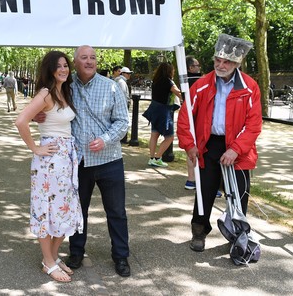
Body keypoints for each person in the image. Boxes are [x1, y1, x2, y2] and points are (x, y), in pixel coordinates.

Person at [37, 46, 130, 277]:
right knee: (78, 210)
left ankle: (121, 256)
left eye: (93, 58)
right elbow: (48, 108)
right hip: (77, 161)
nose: (89, 62)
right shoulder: (65, 87)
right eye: (83, 58)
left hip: (109, 160)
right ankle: (76, 252)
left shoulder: (112, 86)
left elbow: (122, 121)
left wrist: (105, 139)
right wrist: (40, 115)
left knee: (116, 211)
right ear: (75, 63)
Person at [177, 34, 262, 253]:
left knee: (240, 194)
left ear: (237, 64)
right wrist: (189, 145)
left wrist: (235, 149)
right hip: (209, 144)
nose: (220, 65)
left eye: (226, 62)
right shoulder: (201, 85)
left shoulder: (249, 87)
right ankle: (199, 230)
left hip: (238, 147)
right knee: (204, 191)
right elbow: (185, 117)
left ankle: (237, 233)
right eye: (217, 60)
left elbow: (253, 124)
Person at [15, 51, 83, 283]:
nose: (64, 69)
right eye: (59, 66)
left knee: (65, 209)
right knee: (47, 209)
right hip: (50, 162)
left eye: (66, 65)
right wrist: (35, 148)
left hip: (66, 160)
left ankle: (52, 258)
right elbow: (21, 120)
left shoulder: (64, 91)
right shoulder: (45, 93)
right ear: (50, 69)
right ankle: (48, 261)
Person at [142, 62, 182, 168]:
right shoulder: (169, 82)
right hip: (163, 111)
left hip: (154, 108)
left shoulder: (156, 80)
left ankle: (151, 158)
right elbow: (179, 93)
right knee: (169, 137)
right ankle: (158, 158)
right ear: (170, 71)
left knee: (154, 135)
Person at [183, 56, 202, 190]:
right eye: (197, 65)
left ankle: (191, 179)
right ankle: (200, 181)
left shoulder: (184, 80)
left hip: (190, 118)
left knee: (190, 148)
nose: (199, 68)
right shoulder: (198, 81)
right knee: (199, 149)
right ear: (190, 68)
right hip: (198, 119)